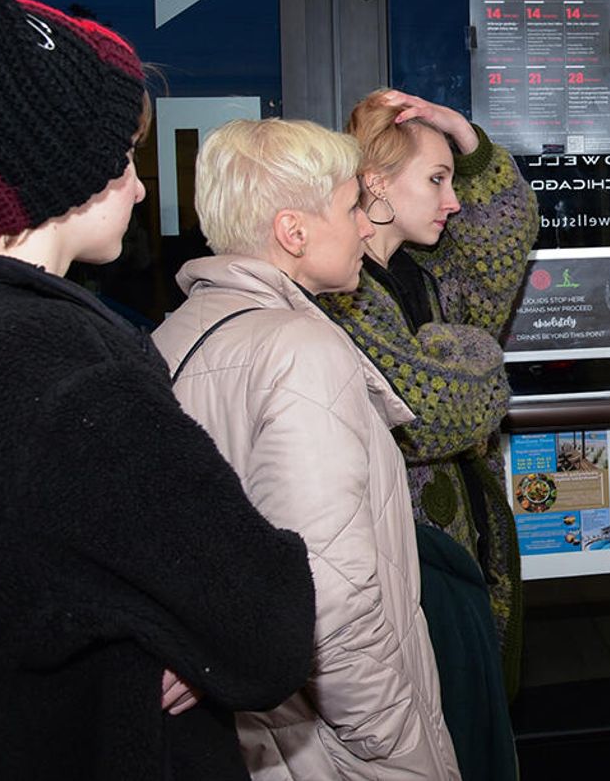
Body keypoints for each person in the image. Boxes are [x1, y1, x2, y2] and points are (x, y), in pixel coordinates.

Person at [0, 0, 315, 780]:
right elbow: (268, 631)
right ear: (61, 172)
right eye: (121, 158)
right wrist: (176, 640)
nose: (138, 184)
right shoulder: (67, 375)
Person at [152, 118, 461, 781]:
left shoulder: (172, 337)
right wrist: (393, 736)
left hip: (254, 734)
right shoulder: (300, 350)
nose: (365, 225)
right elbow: (330, 601)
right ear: (293, 232)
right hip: (334, 744)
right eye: (351, 208)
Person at [318, 89, 534, 767]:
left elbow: (503, 242)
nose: (454, 200)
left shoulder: (430, 273)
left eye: (452, 180)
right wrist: (469, 359)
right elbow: (430, 412)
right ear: (377, 183)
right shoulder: (340, 289)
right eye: (437, 180)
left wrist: (463, 139)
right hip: (401, 574)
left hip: (462, 553)